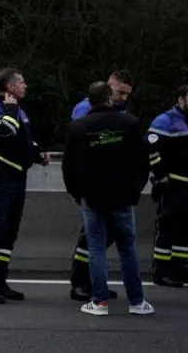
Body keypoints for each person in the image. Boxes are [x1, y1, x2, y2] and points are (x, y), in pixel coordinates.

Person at [62, 81, 153, 316]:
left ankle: (99, 302)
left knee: (96, 248)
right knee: (128, 249)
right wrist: (136, 190)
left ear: (89, 102)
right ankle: (137, 302)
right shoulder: (129, 124)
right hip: (123, 196)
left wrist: (77, 194)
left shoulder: (78, 127)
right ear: (110, 99)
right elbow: (143, 161)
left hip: (92, 197)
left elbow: (68, 168)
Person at [0, 67, 48, 304]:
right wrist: (11, 109)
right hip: (0, 176)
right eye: (22, 82)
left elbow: (22, 138)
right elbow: (4, 134)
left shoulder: (17, 110)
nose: (26, 86)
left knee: (9, 232)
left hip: (18, 176)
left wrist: (37, 153)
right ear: (10, 87)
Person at [69, 70, 135, 300]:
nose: (124, 98)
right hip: (93, 184)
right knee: (90, 238)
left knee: (103, 237)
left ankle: (93, 282)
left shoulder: (121, 111)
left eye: (127, 94)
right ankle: (80, 282)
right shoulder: (84, 110)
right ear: (109, 88)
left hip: (113, 186)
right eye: (120, 92)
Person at [146, 84, 188, 288]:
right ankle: (161, 271)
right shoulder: (166, 121)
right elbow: (152, 150)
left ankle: (179, 270)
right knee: (167, 228)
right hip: (173, 184)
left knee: (184, 231)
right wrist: (161, 176)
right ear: (182, 98)